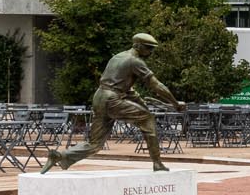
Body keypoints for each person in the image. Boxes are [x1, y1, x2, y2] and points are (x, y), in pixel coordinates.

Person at [45, 32, 177, 171]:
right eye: (148, 48)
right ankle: (157, 163)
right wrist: (175, 103)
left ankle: (60, 156)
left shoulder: (117, 57)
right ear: (138, 46)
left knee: (95, 144)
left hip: (100, 97)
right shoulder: (135, 61)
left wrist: (140, 102)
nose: (151, 52)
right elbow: (156, 85)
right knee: (147, 119)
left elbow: (125, 88)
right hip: (112, 100)